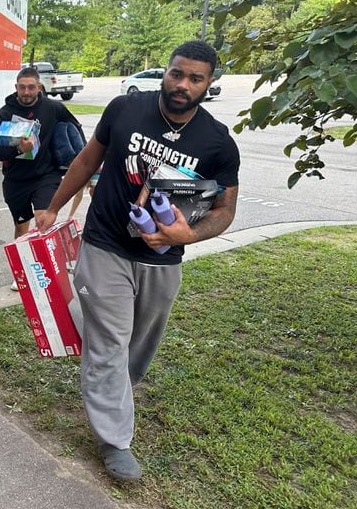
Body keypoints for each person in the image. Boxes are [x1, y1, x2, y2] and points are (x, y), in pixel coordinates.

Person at [36, 41, 240, 481]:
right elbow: (88, 159)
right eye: (176, 74)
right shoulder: (125, 109)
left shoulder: (218, 142)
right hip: (105, 243)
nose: (182, 85)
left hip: (162, 261)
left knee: (138, 347)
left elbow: (224, 210)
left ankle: (109, 384)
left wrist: (189, 233)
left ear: (209, 84)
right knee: (108, 342)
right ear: (165, 72)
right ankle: (114, 439)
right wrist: (54, 206)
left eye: (195, 78)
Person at [0, 66, 84, 290]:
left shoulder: (53, 108)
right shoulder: (3, 114)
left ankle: (47, 270)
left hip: (46, 175)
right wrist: (18, 149)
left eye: (31, 87)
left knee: (43, 218)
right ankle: (21, 272)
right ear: (16, 88)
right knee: (21, 227)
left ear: (39, 87)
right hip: (16, 180)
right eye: (22, 87)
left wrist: (76, 156)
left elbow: (75, 128)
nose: (27, 92)